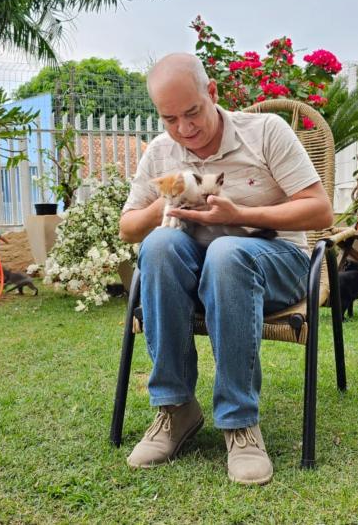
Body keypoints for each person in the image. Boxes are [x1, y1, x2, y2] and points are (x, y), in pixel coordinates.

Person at [118, 53, 333, 485]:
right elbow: (128, 227)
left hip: (274, 260)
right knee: (159, 244)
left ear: (212, 93)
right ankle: (176, 410)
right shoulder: (162, 152)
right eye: (169, 118)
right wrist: (169, 198)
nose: (184, 129)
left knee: (227, 254)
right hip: (195, 274)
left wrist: (241, 214)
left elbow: (320, 211)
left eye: (193, 112)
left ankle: (239, 422)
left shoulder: (267, 132)